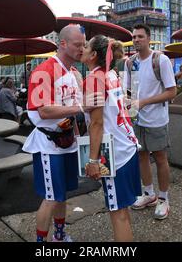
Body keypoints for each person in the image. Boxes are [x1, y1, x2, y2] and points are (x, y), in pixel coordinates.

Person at [22, 24, 90, 242]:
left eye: (84, 45)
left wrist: (81, 138)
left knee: (62, 195)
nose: (82, 49)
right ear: (63, 44)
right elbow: (44, 110)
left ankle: (59, 236)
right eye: (78, 45)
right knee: (51, 198)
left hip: (68, 141)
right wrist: (81, 108)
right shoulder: (43, 71)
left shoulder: (73, 73)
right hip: (49, 145)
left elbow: (75, 105)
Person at [81, 35, 141, 241]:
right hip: (128, 145)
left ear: (93, 55)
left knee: (118, 214)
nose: (83, 48)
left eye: (86, 46)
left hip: (114, 154)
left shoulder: (92, 79)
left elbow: (97, 123)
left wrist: (92, 160)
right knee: (123, 210)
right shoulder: (112, 74)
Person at [124, 23, 177, 220]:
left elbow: (172, 92)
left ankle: (164, 199)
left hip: (157, 119)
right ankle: (149, 194)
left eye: (140, 36)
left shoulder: (160, 60)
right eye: (134, 36)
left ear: (148, 38)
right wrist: (127, 106)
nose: (136, 39)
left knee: (161, 158)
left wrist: (144, 101)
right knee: (141, 156)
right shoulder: (130, 63)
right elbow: (128, 91)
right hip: (137, 118)